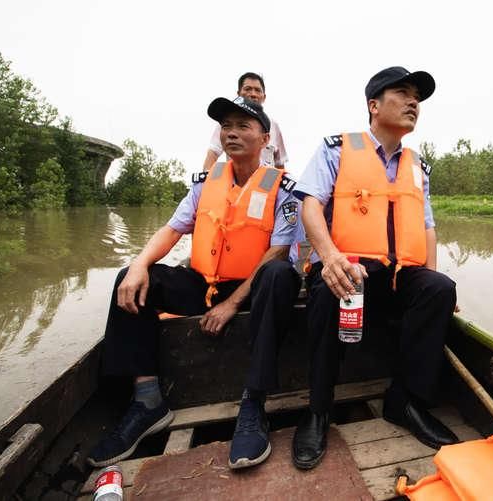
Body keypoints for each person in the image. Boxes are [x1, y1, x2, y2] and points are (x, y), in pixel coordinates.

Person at [88, 96, 301, 470]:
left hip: (252, 292)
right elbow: (172, 229)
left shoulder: (284, 189)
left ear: (265, 138)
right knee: (133, 279)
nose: (231, 133)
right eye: (226, 127)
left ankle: (253, 403)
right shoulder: (206, 185)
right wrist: (139, 263)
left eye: (242, 126)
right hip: (204, 284)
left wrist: (232, 303)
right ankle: (147, 400)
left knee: (280, 274)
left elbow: (279, 252)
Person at [290, 66, 459, 470]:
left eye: (417, 97)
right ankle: (318, 410)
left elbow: (427, 226)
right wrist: (329, 256)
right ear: (373, 105)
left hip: (397, 278)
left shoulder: (418, 166)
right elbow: (309, 202)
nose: (413, 102)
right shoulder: (337, 148)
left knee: (439, 288)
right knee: (339, 283)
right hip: (346, 269)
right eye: (402, 93)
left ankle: (405, 402)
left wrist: (433, 276)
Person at [203, 72, 288, 170]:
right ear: (238, 94)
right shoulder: (225, 123)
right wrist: (205, 182)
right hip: (236, 183)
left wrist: (282, 184)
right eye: (247, 89)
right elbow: (213, 153)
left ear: (264, 97)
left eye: (257, 90)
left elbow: (280, 163)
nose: (253, 94)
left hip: (265, 184)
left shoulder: (274, 126)